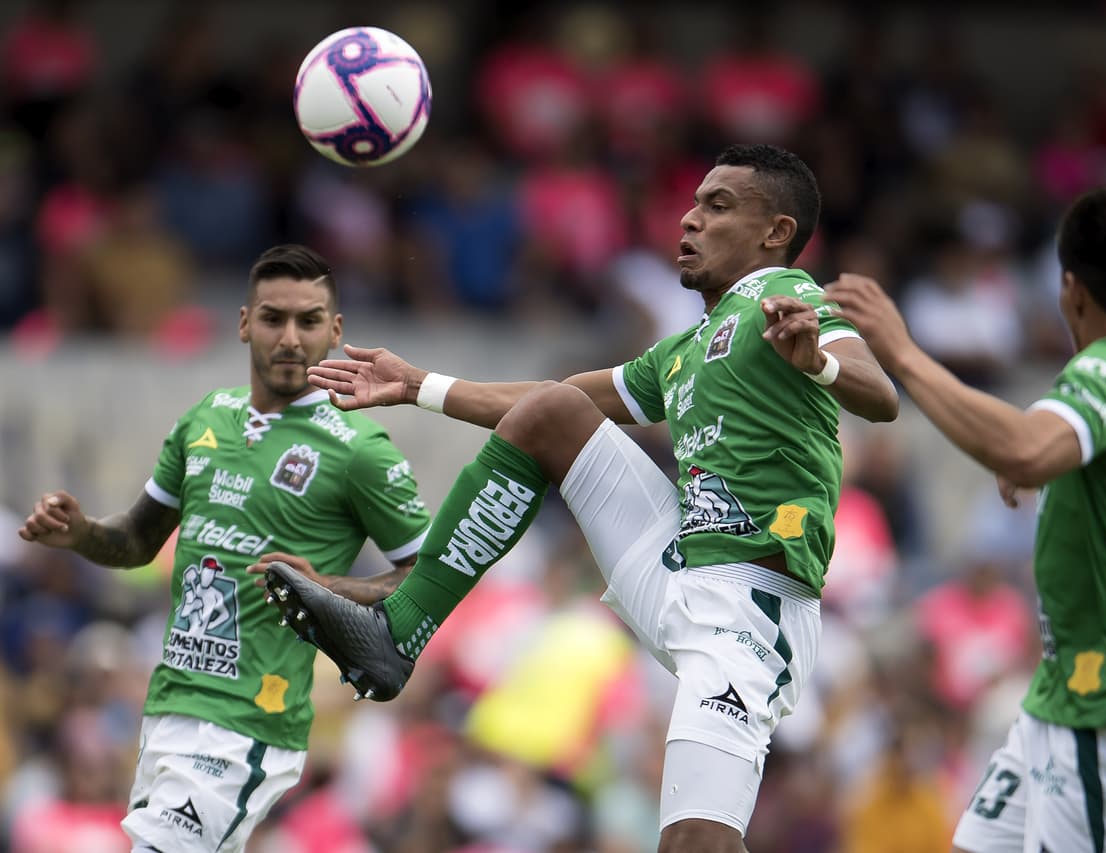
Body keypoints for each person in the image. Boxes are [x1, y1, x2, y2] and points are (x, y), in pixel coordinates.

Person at [263, 143, 900, 853]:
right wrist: (419, 386)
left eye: (717, 206)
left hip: (751, 609)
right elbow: (548, 401)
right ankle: (400, 627)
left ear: (776, 231)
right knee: (552, 412)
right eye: (693, 203)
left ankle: (399, 603)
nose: (689, 219)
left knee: (694, 843)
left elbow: (880, 394)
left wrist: (819, 361)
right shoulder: (684, 350)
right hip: (677, 564)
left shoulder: (787, 298)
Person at [825, 185, 1106, 852]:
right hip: (1068, 694)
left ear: (1071, 292)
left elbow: (1023, 450)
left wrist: (903, 353)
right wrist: (1072, 457)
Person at [17, 244, 432, 853]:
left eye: (309, 320)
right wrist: (80, 534)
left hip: (248, 723)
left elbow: (429, 574)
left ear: (335, 331)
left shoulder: (360, 449)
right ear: (244, 323)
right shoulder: (205, 420)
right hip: (170, 706)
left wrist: (331, 588)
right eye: (273, 318)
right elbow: (136, 541)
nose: (289, 338)